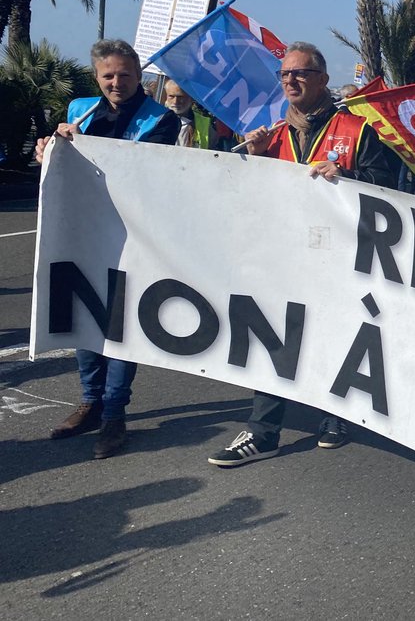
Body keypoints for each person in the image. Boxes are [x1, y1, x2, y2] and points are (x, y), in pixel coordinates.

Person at [208, 42, 394, 467]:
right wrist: (254, 159)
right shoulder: (271, 134)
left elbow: (388, 190)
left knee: (333, 334)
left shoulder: (356, 129)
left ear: (322, 79)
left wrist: (346, 175)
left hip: (339, 255)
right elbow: (251, 197)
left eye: (301, 73)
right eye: (285, 74)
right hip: (284, 254)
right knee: (273, 336)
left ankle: (335, 416)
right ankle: (262, 431)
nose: (291, 80)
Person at [35, 39, 181, 459]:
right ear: (97, 77)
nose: (117, 82)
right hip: (81, 232)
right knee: (83, 315)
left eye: (125, 74)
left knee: (118, 324)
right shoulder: (78, 110)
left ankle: (115, 412)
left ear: (140, 75)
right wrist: (51, 149)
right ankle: (90, 401)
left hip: (131, 236)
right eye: (108, 75)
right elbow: (63, 168)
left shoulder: (161, 120)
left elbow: (143, 170)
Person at [163, 80, 236, 150]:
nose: (175, 101)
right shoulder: (157, 119)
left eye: (180, 97)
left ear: (191, 98)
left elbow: (213, 151)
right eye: (171, 96)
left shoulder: (205, 124)